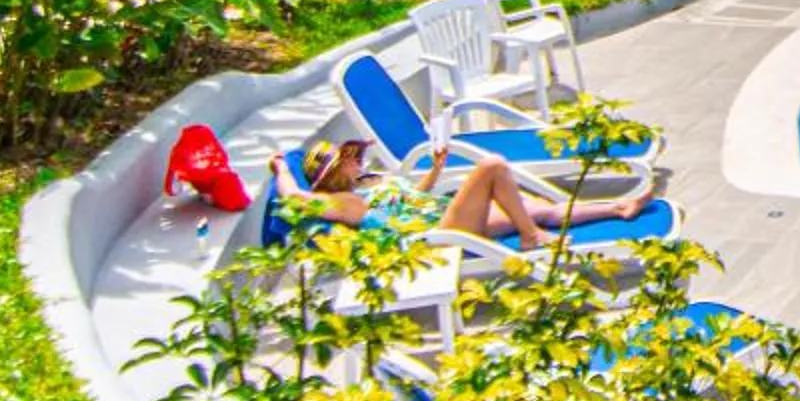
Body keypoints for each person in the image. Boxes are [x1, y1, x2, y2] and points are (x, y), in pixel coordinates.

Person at [272, 135, 651, 251]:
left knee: (537, 207)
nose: (357, 162)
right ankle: (531, 237)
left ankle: (619, 208)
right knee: (492, 166)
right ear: (332, 176)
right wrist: (282, 169)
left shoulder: (370, 185)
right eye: (348, 160)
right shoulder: (348, 203)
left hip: (440, 217)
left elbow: (413, 197)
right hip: (434, 236)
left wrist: (435, 170)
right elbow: (295, 199)